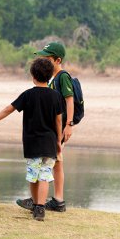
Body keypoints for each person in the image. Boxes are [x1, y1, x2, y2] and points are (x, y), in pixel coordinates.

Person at [0, 57, 63, 220]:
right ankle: (41, 208)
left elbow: (9, 109)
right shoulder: (55, 96)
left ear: (32, 75)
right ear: (50, 76)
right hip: (49, 142)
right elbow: (58, 120)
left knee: (33, 175)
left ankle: (36, 204)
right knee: (45, 176)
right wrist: (59, 140)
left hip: (32, 143)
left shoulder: (28, 95)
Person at [23, 41, 74, 213]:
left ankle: (45, 200)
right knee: (56, 162)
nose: (43, 61)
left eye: (47, 58)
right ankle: (52, 200)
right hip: (53, 128)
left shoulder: (63, 77)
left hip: (59, 128)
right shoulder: (53, 78)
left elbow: (69, 100)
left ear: (57, 60)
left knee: (51, 163)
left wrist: (69, 124)